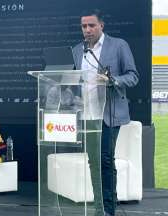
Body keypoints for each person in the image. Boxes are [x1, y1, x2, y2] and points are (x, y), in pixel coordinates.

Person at [72, 9, 139, 216]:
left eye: (91, 25)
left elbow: (133, 76)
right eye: (84, 26)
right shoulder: (77, 50)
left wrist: (113, 80)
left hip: (109, 114)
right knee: (95, 162)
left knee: (106, 160)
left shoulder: (118, 45)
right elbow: (74, 81)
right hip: (87, 114)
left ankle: (108, 210)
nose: (87, 30)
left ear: (101, 25)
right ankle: (99, 208)